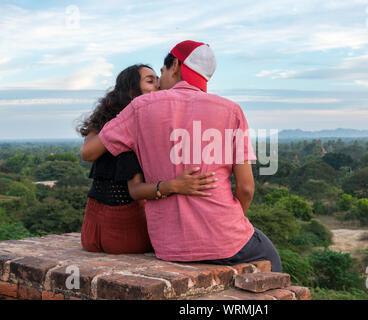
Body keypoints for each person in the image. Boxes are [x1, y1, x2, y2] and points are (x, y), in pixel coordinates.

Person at [80, 41, 282, 272]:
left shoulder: (140, 107)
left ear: (174, 65)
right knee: (271, 260)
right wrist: (221, 228)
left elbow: (91, 151)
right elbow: (246, 188)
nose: (160, 79)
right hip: (226, 239)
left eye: (162, 71)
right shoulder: (230, 110)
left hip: (169, 247)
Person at [78, 63, 217, 254]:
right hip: (124, 227)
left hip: (91, 231)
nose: (158, 86)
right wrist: (175, 185)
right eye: (150, 81)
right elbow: (88, 153)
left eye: (158, 81)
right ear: (131, 90)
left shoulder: (109, 121)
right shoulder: (121, 125)